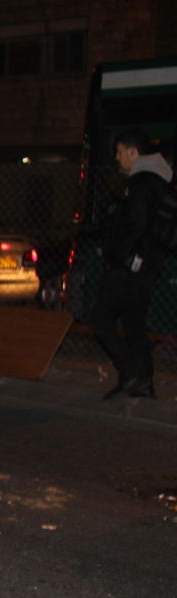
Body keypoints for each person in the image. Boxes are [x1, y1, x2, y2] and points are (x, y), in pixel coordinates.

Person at [91, 129, 172, 399]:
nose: (116, 158)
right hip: (147, 266)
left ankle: (132, 373)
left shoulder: (141, 183)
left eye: (119, 151)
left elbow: (136, 224)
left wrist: (117, 257)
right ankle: (142, 380)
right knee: (134, 322)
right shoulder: (160, 180)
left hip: (128, 266)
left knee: (102, 320)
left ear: (133, 152)